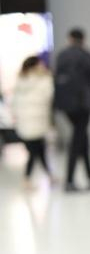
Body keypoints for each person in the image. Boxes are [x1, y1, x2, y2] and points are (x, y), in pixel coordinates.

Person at [53, 27, 90, 192]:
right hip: (83, 104)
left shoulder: (61, 55)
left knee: (82, 137)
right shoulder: (87, 55)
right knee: (77, 140)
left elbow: (56, 79)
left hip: (67, 106)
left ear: (70, 39)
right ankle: (69, 181)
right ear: (83, 39)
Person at [11, 56, 56, 189]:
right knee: (35, 151)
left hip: (25, 121)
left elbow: (15, 103)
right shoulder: (44, 80)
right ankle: (27, 179)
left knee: (39, 150)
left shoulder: (21, 81)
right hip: (37, 120)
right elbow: (48, 96)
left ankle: (49, 176)